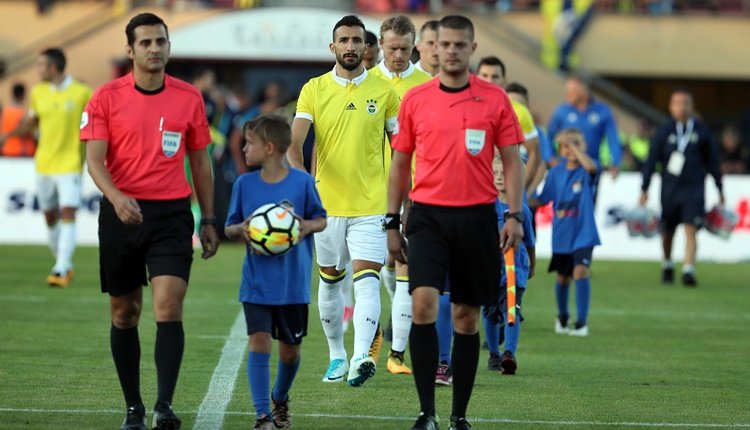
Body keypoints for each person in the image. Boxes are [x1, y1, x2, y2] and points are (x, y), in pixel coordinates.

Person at [81, 13, 220, 430]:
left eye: (160, 41)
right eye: (145, 43)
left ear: (168, 47)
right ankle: (133, 410)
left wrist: (208, 218)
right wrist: (117, 197)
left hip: (172, 214)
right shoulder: (105, 97)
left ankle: (164, 407)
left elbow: (201, 161)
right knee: (125, 313)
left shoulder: (189, 97)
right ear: (130, 50)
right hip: (121, 212)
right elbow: (93, 160)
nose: (154, 49)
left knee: (168, 306)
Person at [387, 15, 525, 430]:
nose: (450, 51)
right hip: (427, 216)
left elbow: (514, 162)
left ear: (471, 48)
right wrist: (392, 221)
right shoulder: (416, 100)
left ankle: (458, 416)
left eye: (458, 45)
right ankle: (426, 413)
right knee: (423, 305)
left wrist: (514, 214)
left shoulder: (495, 100)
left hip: (478, 216)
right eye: (443, 44)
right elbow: (399, 163)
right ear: (431, 48)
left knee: (466, 316)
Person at [287, 14, 400, 387]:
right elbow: (293, 146)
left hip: (372, 205)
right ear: (332, 46)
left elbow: (401, 150)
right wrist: (305, 187)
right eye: (344, 40)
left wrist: (402, 198)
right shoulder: (314, 89)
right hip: (327, 207)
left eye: (357, 40)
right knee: (331, 282)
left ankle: (358, 359)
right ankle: (336, 354)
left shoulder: (385, 93)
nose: (351, 46)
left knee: (367, 280)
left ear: (367, 48)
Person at [225, 115, 326, 430]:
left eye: (249, 143)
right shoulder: (244, 184)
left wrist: (303, 226)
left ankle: (279, 398)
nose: (243, 148)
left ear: (269, 148)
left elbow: (320, 219)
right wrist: (240, 229)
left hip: (292, 284)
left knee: (289, 353)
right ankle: (262, 416)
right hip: (256, 283)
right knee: (258, 342)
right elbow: (229, 227)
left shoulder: (302, 183)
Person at [369, 14, 432, 377]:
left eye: (405, 50)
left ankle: (396, 353)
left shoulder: (426, 85)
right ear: (380, 45)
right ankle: (375, 334)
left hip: (415, 192)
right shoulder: (366, 83)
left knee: (406, 265)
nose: (398, 55)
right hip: (369, 193)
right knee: (375, 272)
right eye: (392, 48)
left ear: (415, 48)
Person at [0, 48, 92, 287]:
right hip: (43, 164)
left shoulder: (82, 93)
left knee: (68, 212)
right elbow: (31, 123)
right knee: (50, 217)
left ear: (53, 67)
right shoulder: (39, 93)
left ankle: (61, 268)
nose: (38, 70)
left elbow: (98, 122)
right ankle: (63, 263)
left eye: (41, 65)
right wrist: (8, 135)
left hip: (70, 164)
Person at [640, 88, 724, 287]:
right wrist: (645, 188)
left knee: (691, 229)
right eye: (677, 103)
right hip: (669, 190)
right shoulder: (664, 131)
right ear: (670, 107)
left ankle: (688, 269)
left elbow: (712, 161)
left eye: (685, 103)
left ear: (692, 106)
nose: (681, 107)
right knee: (668, 231)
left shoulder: (701, 131)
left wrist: (720, 186)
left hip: (694, 189)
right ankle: (668, 263)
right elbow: (651, 161)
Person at [528, 129, 600, 337]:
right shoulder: (556, 172)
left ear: (583, 147)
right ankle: (562, 316)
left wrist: (573, 145)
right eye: (566, 145)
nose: (570, 149)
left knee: (580, 272)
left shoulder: (587, 169)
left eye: (575, 143)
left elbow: (591, 167)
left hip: (584, 231)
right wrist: (520, 199)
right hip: (562, 232)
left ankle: (582, 323)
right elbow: (542, 199)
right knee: (562, 278)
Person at [484, 161, 535, 375]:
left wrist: (531, 265)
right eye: (494, 172)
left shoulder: (521, 210)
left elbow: (530, 242)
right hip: (489, 271)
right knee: (489, 313)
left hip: (515, 272)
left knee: (511, 310)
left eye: (503, 173)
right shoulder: (486, 205)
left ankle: (509, 354)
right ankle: (493, 353)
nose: (498, 177)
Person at [547, 75, 621, 189]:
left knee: (588, 201)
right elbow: (549, 135)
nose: (567, 95)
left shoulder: (602, 111)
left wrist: (615, 163)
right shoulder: (562, 111)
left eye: (571, 92)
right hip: (566, 166)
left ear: (583, 91)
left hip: (591, 167)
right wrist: (550, 157)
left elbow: (613, 138)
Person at [0, 83, 36, 157]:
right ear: (22, 95)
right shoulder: (23, 113)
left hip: (7, 150)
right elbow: (26, 130)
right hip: (22, 151)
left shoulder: (4, 112)